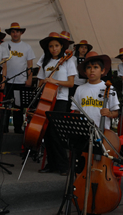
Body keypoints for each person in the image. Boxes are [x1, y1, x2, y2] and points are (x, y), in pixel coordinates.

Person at [36, 32, 77, 175]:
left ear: (61, 47)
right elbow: (40, 81)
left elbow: (71, 83)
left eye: (56, 46)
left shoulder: (68, 62)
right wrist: (43, 82)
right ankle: (51, 164)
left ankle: (63, 165)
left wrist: (54, 81)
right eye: (51, 46)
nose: (54, 49)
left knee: (56, 133)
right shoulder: (44, 62)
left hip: (60, 99)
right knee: (46, 132)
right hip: (45, 99)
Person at [71, 51, 119, 129]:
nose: (92, 70)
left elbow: (116, 112)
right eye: (89, 67)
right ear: (85, 72)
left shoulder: (109, 88)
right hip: (84, 130)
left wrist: (109, 114)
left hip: (103, 131)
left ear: (102, 71)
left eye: (96, 67)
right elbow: (76, 112)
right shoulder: (80, 89)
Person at [2, 22, 36, 134]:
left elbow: (30, 64)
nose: (15, 33)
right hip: (7, 80)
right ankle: (4, 127)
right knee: (6, 105)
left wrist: (29, 78)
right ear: (10, 33)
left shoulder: (27, 47)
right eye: (13, 31)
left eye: (17, 31)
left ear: (21, 33)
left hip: (20, 81)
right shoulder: (4, 45)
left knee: (18, 106)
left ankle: (17, 128)